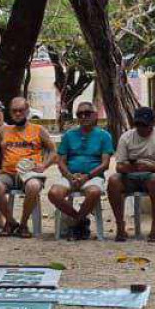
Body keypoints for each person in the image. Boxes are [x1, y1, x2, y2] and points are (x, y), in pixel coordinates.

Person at [0, 96, 55, 237]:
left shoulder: (38, 129)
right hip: (8, 174)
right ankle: (11, 222)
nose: (18, 114)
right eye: (14, 111)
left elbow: (54, 151)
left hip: (30, 174)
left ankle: (23, 224)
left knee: (34, 186)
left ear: (27, 111)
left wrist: (44, 166)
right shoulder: (5, 130)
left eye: (21, 110)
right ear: (10, 113)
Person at [47, 100, 115, 238]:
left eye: (87, 113)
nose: (83, 116)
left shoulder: (104, 136)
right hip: (70, 175)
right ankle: (81, 219)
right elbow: (61, 161)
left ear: (95, 115)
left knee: (94, 192)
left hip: (92, 176)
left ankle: (76, 223)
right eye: (80, 114)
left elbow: (105, 164)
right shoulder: (69, 135)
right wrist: (69, 176)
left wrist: (87, 176)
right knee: (53, 193)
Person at [107, 106, 155, 241]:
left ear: (152, 123)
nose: (141, 128)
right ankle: (120, 225)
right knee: (113, 180)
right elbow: (119, 166)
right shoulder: (126, 137)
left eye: (144, 125)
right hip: (131, 174)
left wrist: (150, 167)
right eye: (138, 124)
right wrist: (132, 167)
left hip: (153, 174)